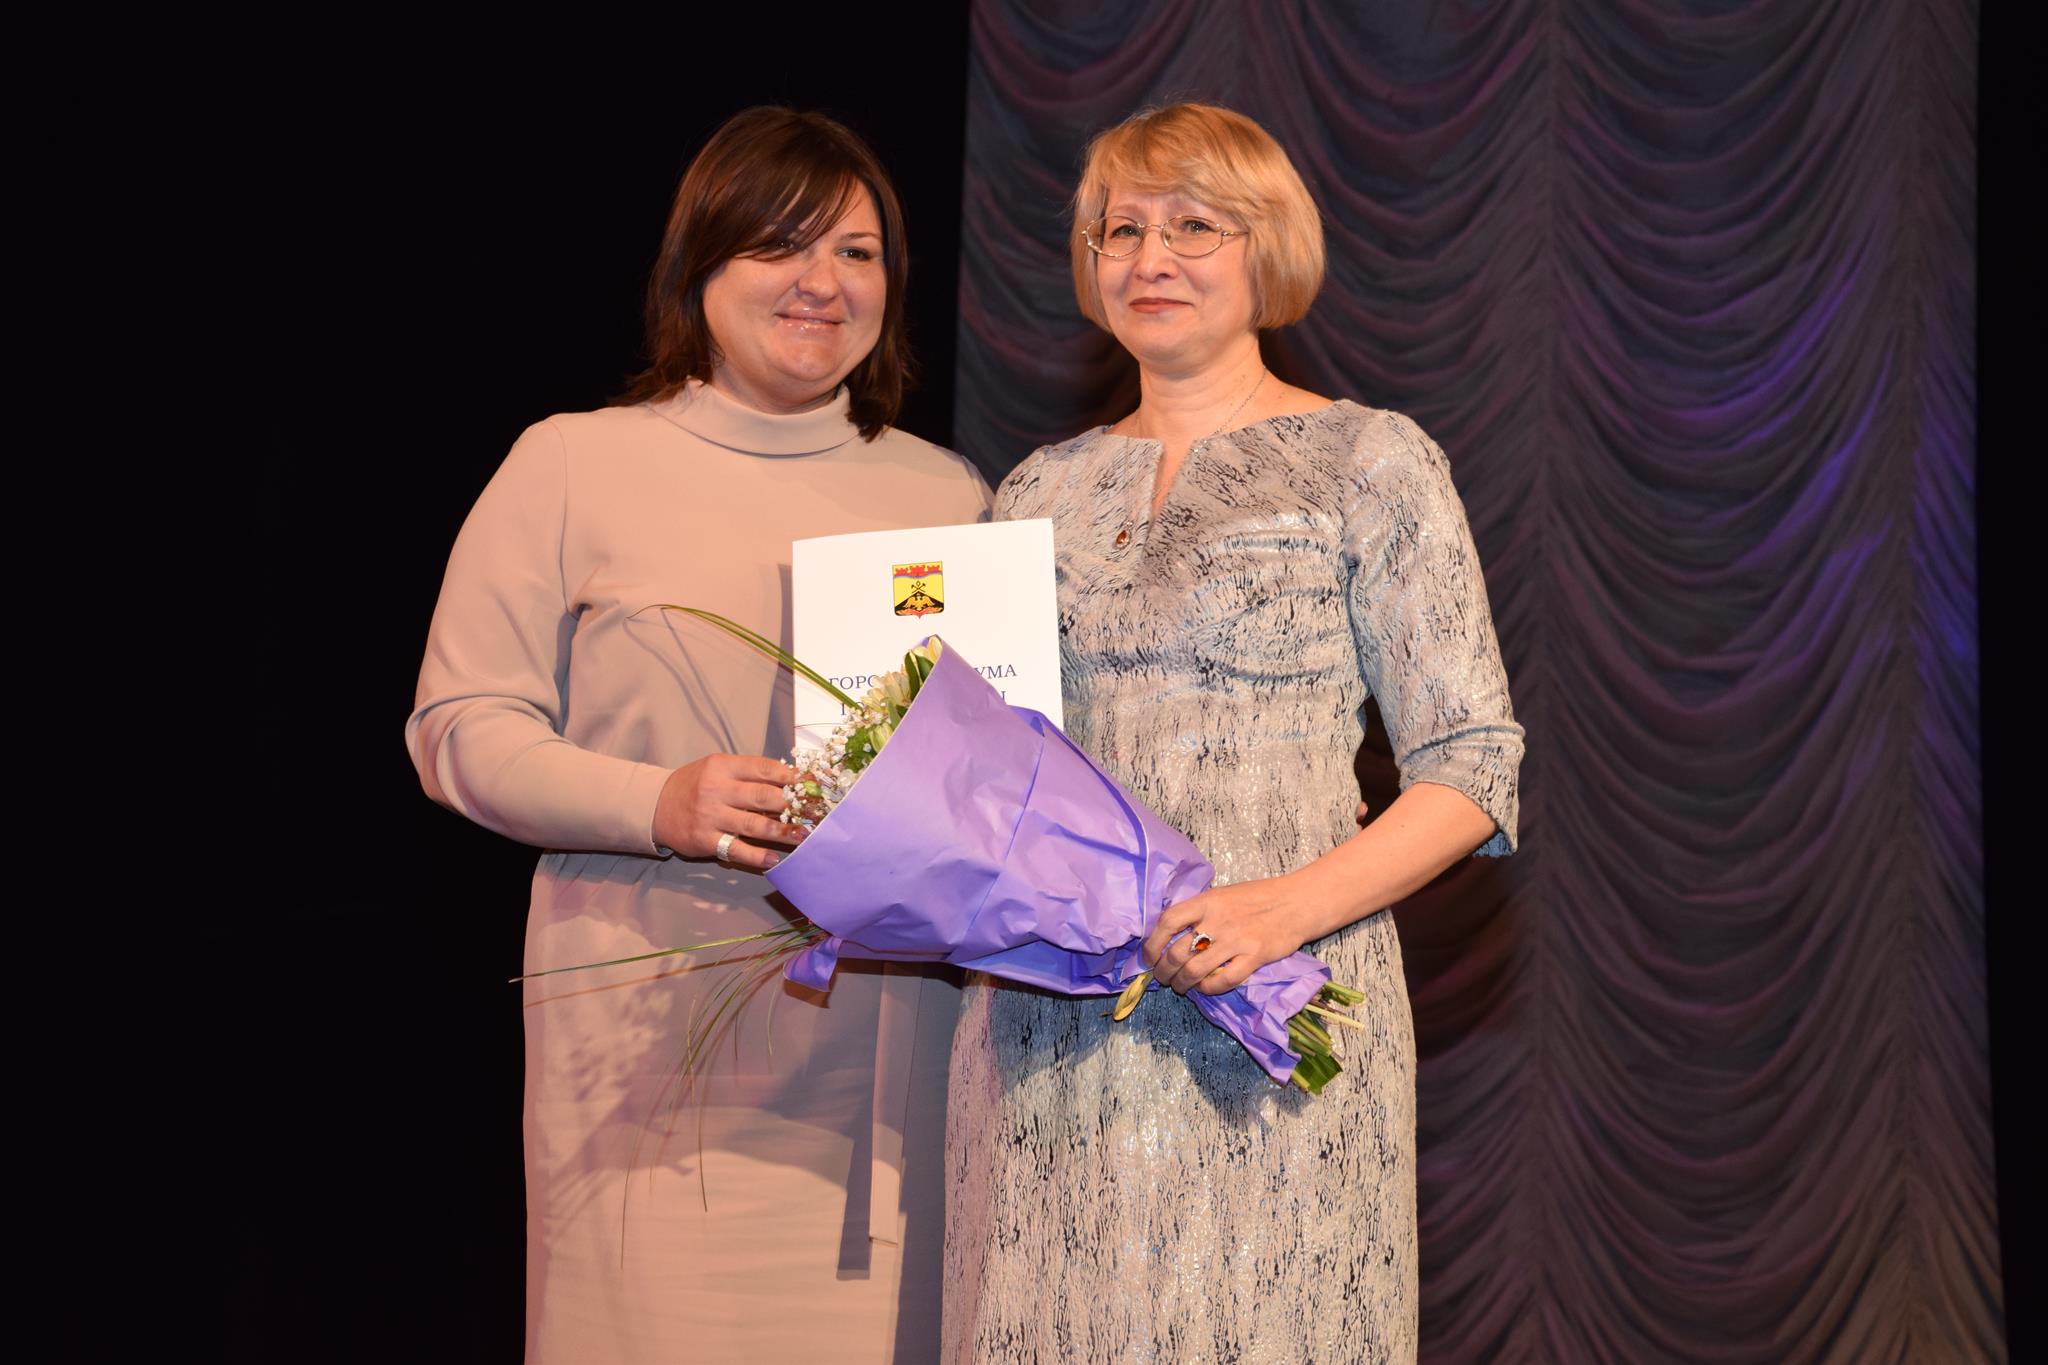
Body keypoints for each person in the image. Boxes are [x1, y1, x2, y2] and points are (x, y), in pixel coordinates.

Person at [406, 107, 989, 1363]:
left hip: (883, 1067)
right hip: (646, 1056)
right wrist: (656, 802)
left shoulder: (947, 495)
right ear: (698, 268)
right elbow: (458, 726)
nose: (821, 281)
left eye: (856, 252)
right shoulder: (571, 463)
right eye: (779, 245)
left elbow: (992, 775)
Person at [942, 103, 1524, 1363]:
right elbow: (980, 772)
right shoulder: (1034, 487)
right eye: (1121, 230)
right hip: (1051, 1025)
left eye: (1194, 226)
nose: (1150, 257)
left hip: (1277, 1005)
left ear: (1269, 251)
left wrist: (1279, 910)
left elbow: (1471, 765)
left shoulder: (1369, 460)